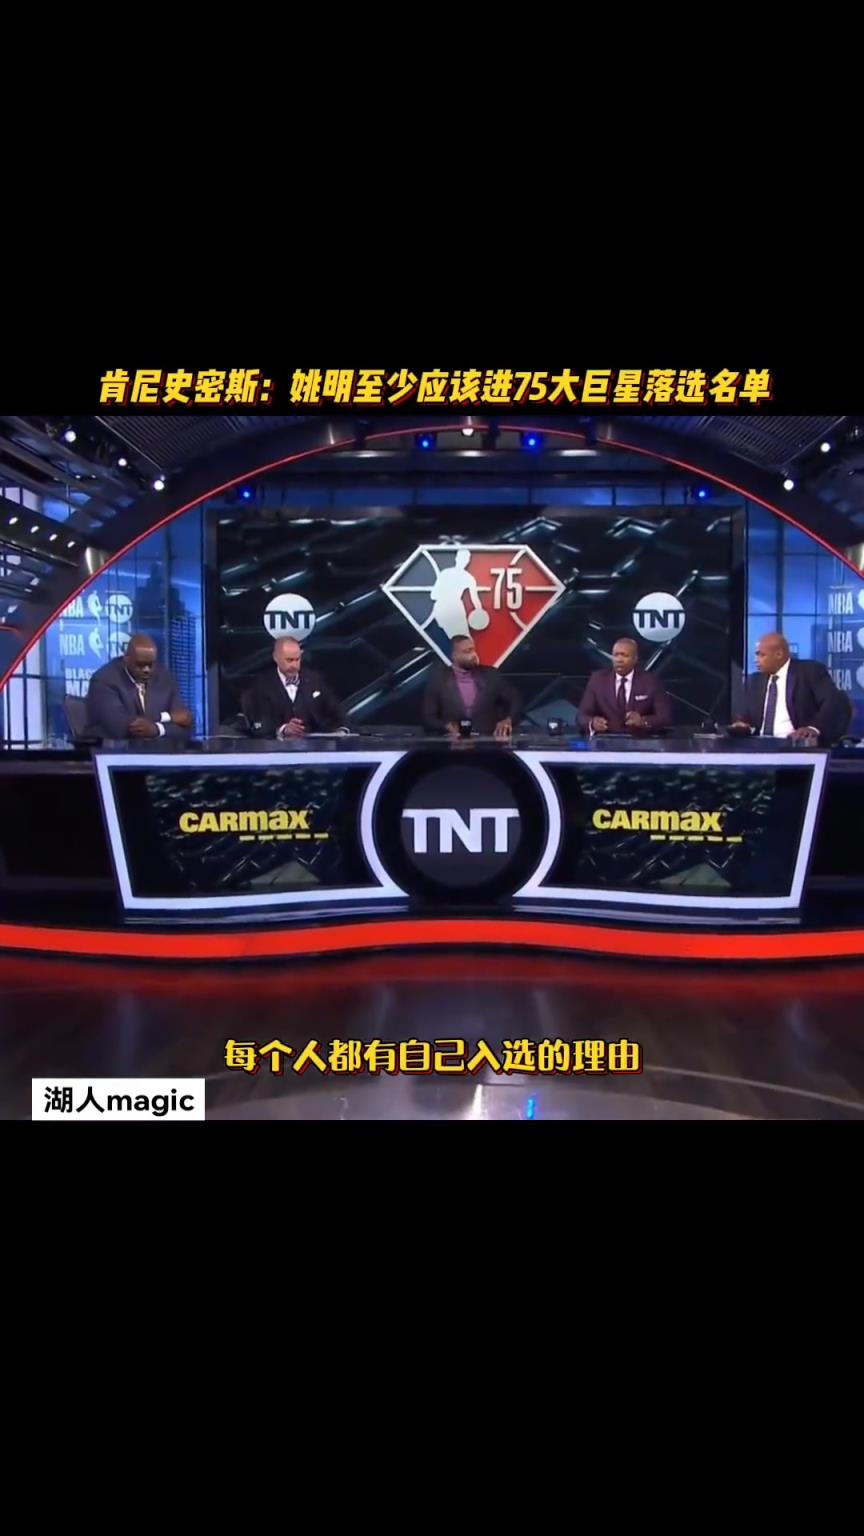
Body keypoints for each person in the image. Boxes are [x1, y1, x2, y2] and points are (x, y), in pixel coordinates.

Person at [731, 632, 850, 744]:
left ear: (779, 654)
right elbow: (747, 717)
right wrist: (743, 725)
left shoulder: (809, 671)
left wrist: (813, 728)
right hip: (759, 745)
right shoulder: (754, 681)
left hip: (795, 744)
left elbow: (833, 703)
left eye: (762, 655)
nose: (756, 660)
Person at [86, 634, 193, 740]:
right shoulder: (104, 680)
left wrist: (157, 729)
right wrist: (168, 717)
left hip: (157, 749)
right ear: (126, 659)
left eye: (150, 665)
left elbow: (185, 724)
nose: (147, 670)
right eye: (140, 665)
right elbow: (121, 727)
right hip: (111, 748)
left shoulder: (164, 678)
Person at [243, 637, 346, 739]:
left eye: (297, 659)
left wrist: (342, 730)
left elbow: (336, 711)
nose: (294, 665)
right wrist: (284, 729)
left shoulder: (315, 679)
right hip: (277, 746)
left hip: (317, 744)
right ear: (276, 658)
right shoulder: (262, 684)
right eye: (289, 660)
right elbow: (259, 723)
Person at [422, 634, 519, 740]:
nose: (473, 655)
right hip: (453, 743)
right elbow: (428, 717)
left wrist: (508, 720)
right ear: (454, 656)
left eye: (473, 650)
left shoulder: (491, 675)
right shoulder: (438, 680)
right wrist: (445, 726)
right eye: (467, 651)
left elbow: (515, 699)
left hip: (487, 741)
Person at [578, 637, 672, 733]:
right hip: (606, 738)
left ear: (635, 659)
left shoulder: (650, 681)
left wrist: (643, 721)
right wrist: (592, 723)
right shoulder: (597, 680)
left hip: (640, 739)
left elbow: (664, 717)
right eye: (616, 655)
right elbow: (582, 716)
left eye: (624, 655)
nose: (619, 660)